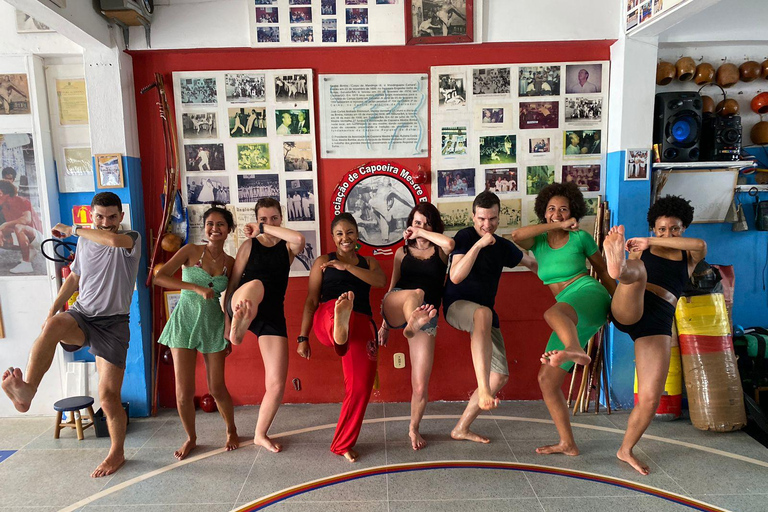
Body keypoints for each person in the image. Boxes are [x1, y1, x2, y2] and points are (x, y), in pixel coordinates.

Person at [2, 192, 140, 477]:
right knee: (52, 326)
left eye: (112, 216)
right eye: (100, 216)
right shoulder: (86, 240)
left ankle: (117, 453)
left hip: (113, 325)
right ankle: (28, 389)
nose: (106, 222)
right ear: (92, 215)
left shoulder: (131, 239)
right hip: (82, 315)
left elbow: (113, 240)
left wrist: (72, 229)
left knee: (107, 397)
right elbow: (75, 277)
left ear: (121, 217)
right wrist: (53, 307)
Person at [604, 196, 706, 475]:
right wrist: (641, 250)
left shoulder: (690, 254)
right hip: (630, 307)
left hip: (657, 323)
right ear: (653, 229)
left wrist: (652, 242)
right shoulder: (642, 250)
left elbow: (699, 245)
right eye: (661, 230)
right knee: (636, 271)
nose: (667, 234)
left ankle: (625, 449)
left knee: (650, 397)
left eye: (674, 229)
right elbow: (642, 259)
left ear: (683, 228)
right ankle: (617, 267)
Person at [511, 182, 614, 456]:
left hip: (588, 294)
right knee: (547, 379)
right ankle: (568, 442)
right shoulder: (539, 241)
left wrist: (616, 308)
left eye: (563, 209)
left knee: (552, 312)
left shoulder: (581, 238)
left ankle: (574, 350)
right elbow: (517, 235)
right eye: (551, 209)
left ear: (573, 212)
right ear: (543, 213)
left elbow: (603, 273)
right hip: (568, 313)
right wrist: (554, 225)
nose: (557, 213)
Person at [444, 191, 537, 443]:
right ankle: (483, 388)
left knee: (501, 375)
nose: (487, 225)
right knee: (483, 313)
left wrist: (568, 279)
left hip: (484, 315)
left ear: (499, 217)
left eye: (492, 219)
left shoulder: (503, 246)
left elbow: (530, 263)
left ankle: (461, 428)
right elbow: (455, 276)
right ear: (473, 217)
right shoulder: (464, 237)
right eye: (481, 219)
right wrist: (479, 244)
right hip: (457, 307)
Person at [297, 213, 387, 462]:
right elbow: (312, 300)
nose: (345, 237)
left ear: (357, 234)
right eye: (339, 233)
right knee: (333, 311)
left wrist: (347, 266)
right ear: (333, 237)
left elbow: (381, 281)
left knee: (361, 386)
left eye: (349, 232)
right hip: (327, 314)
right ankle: (339, 321)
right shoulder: (323, 261)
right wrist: (302, 337)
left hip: (360, 323)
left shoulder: (368, 263)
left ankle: (342, 444)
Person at [154, 205, 238, 460]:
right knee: (183, 392)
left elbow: (231, 299)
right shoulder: (191, 251)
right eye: (210, 223)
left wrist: (229, 331)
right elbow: (159, 277)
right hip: (184, 322)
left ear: (229, 230)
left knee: (217, 387)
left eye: (221, 224)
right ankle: (191, 437)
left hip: (213, 324)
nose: (215, 228)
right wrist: (194, 287)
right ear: (205, 227)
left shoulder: (231, 263)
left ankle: (231, 429)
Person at [224, 198, 305, 452]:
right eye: (263, 219)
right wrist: (227, 323)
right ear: (257, 219)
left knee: (277, 383)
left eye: (273, 218)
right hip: (242, 302)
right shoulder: (249, 246)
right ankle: (239, 327)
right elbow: (233, 282)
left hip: (270, 314)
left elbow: (300, 240)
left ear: (280, 220)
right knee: (256, 285)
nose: (268, 223)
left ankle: (260, 434)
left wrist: (263, 227)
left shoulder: (288, 248)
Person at [378, 203, 454, 450]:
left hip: (426, 315)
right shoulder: (402, 252)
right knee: (417, 293)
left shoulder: (441, 251)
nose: (421, 227)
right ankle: (411, 322)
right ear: (410, 223)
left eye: (426, 223)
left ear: (433, 227)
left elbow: (450, 244)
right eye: (417, 222)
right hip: (397, 303)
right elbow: (392, 285)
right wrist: (385, 326)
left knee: (420, 384)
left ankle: (413, 428)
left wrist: (421, 233)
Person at [0, 181, 43, 274]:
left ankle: (26, 263)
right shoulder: (4, 206)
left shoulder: (21, 200)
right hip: (26, 235)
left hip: (39, 236)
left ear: (1, 193)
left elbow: (26, 220)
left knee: (19, 227)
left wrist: (4, 226)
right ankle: (30, 250)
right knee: (6, 232)